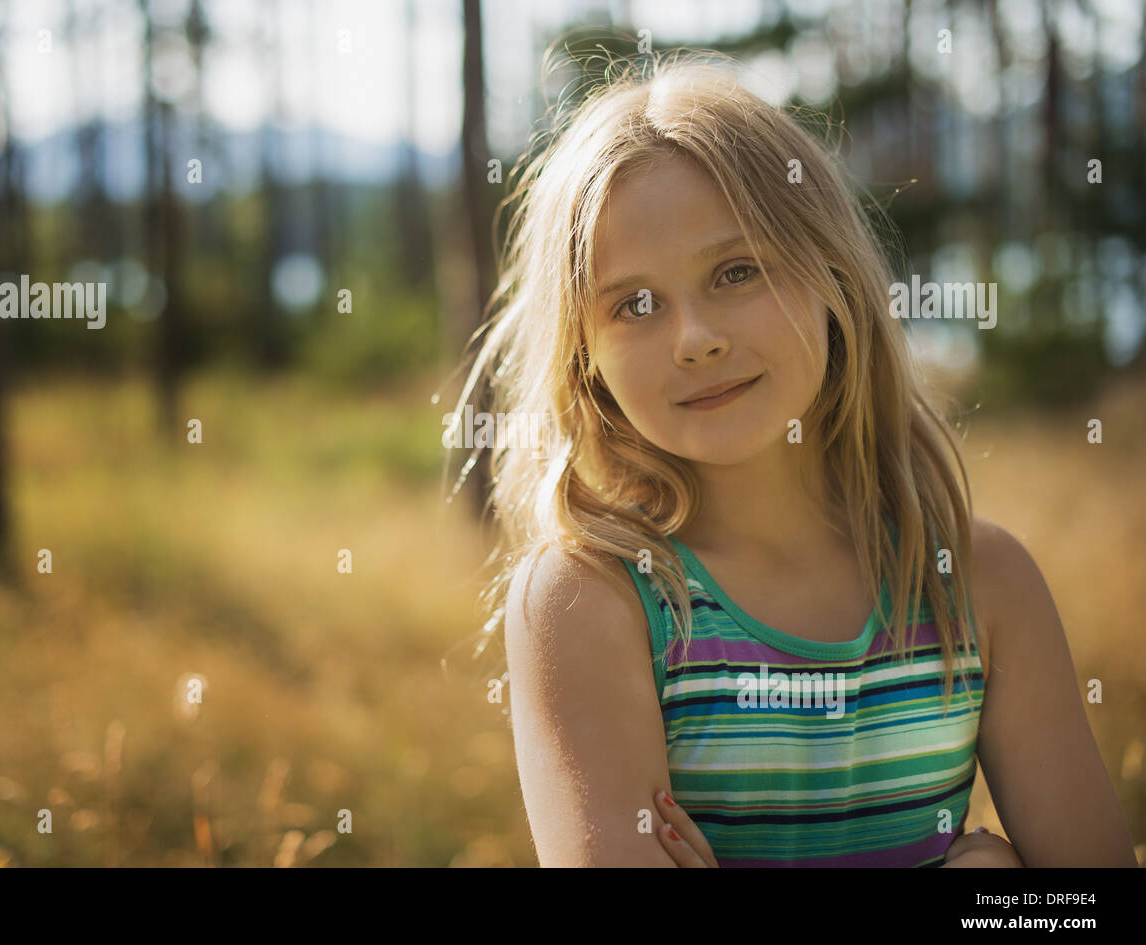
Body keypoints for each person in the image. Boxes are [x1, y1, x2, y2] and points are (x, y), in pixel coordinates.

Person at [449, 50, 1135, 867]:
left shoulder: (979, 583)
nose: (696, 338)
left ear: (832, 277)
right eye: (635, 303)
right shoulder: (593, 603)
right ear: (585, 354)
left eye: (737, 271)